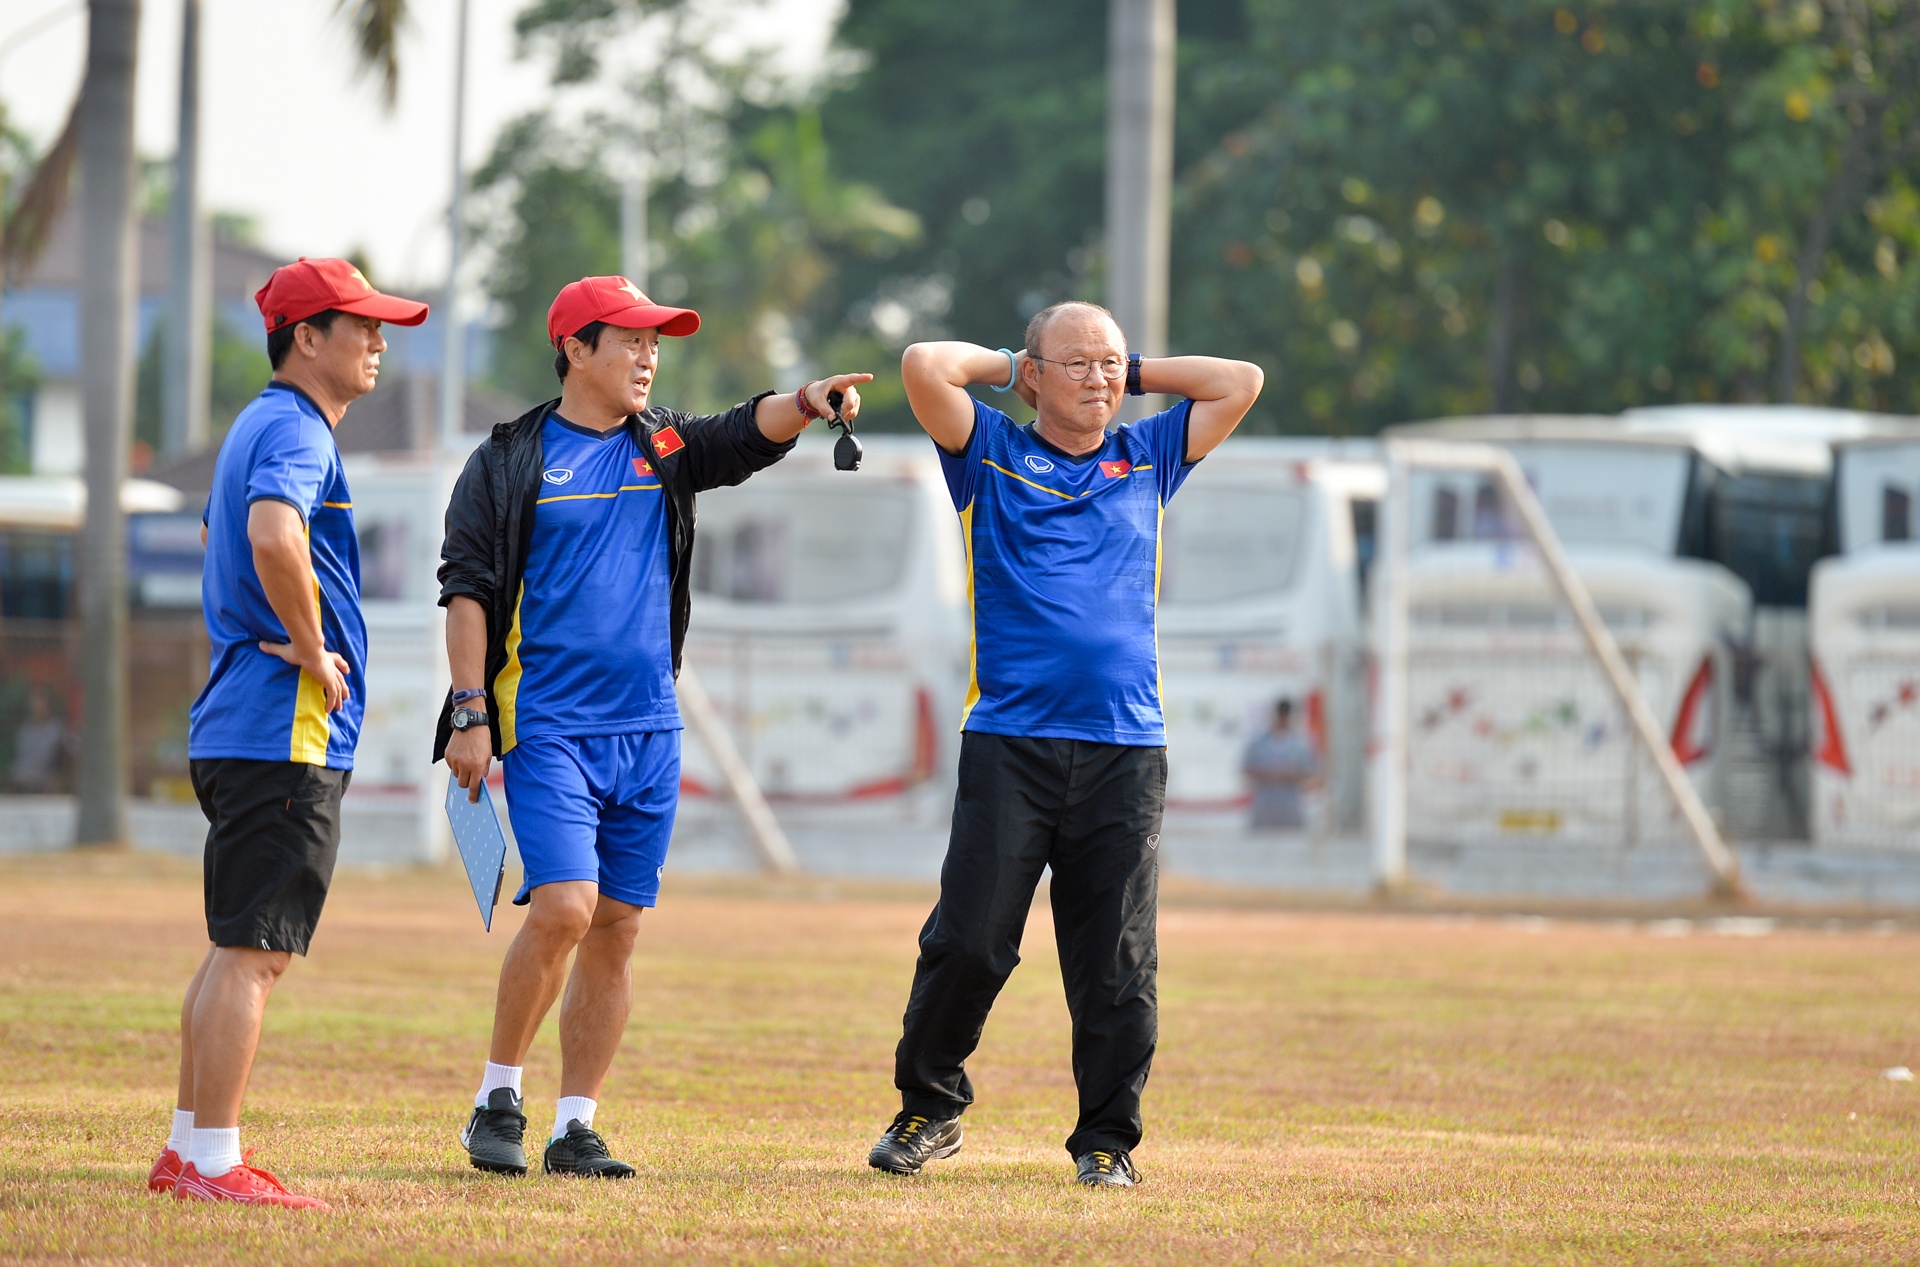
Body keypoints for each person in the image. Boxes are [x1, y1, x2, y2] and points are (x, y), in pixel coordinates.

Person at [437, 275, 872, 1179]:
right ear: (575, 349)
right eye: (630, 340)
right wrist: (471, 709)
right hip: (548, 724)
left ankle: (576, 1125)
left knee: (620, 928)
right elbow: (467, 587)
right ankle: (497, 1097)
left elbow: (737, 436)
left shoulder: (663, 442)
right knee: (564, 906)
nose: (647, 357)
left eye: (654, 343)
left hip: (649, 729)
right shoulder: (511, 458)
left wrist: (805, 401)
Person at [867, 302, 1263, 1187]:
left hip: (1127, 748)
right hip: (1010, 739)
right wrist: (1015, 365)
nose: (1098, 379)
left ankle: (1105, 1143)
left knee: (1116, 962)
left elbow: (1241, 381)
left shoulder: (1149, 455)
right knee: (970, 941)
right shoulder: (992, 454)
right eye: (1076, 363)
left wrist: (1131, 368)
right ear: (1033, 373)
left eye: (1110, 365)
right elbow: (926, 362)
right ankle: (930, 1108)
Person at [149, 258, 429, 1208]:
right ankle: (214, 1163)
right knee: (256, 950)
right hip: (283, 728)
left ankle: (190, 1148)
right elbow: (272, 536)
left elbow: (215, 540)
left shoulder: (259, 425)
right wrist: (312, 647)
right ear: (306, 338)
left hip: (244, 722)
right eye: (361, 326)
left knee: (236, 942)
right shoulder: (296, 428)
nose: (379, 342)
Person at [1243, 698, 1318, 829]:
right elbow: (1247, 768)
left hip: (1290, 804)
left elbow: (1308, 771)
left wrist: (1289, 774)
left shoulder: (1299, 744)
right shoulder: (1258, 742)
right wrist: (1269, 773)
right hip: (1265, 803)